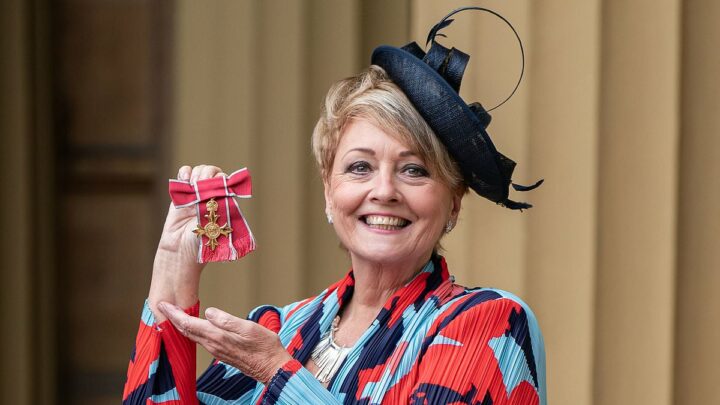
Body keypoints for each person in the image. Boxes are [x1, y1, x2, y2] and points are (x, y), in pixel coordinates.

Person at [123, 7, 546, 405]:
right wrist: (173, 271)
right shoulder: (279, 327)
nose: (384, 191)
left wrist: (278, 373)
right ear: (329, 191)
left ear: (453, 204)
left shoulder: (489, 323)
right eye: (360, 167)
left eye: (414, 170)